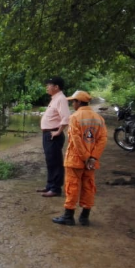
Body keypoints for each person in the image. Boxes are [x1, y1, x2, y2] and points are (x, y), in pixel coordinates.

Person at [52, 91, 107, 226]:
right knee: (88, 186)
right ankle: (84, 217)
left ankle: (68, 216)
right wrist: (93, 158)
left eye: (73, 101)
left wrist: (85, 157)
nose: (72, 104)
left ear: (78, 102)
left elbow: (76, 140)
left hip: (75, 159)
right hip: (91, 162)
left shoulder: (75, 117)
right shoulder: (99, 118)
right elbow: (102, 139)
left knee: (72, 186)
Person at [37, 77, 71, 197]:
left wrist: (58, 131)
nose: (47, 87)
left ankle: (56, 189)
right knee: (50, 160)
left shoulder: (61, 99)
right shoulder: (55, 99)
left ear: (56, 87)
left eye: (49, 85)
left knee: (55, 161)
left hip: (53, 134)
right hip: (48, 134)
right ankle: (50, 185)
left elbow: (66, 117)